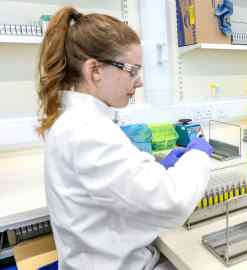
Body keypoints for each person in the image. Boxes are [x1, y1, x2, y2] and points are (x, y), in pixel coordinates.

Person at [37, 7, 213, 270]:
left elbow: (113, 184)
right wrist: (198, 155)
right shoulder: (87, 130)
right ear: (95, 70)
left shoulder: (78, 119)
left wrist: (158, 171)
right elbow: (172, 202)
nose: (139, 82)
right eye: (132, 71)